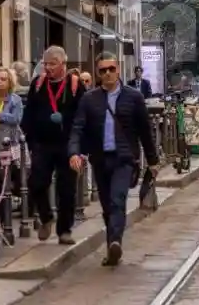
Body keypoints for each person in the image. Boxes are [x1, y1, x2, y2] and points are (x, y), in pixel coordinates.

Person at [68, 53, 163, 267]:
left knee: (117, 200)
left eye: (111, 69)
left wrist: (153, 160)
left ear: (118, 69)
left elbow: (145, 131)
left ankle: (115, 243)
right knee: (107, 206)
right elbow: (78, 128)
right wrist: (74, 152)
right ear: (98, 74)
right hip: (100, 160)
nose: (108, 73)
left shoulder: (134, 97)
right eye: (103, 70)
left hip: (124, 159)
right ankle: (112, 244)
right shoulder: (89, 99)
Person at [23, 46, 84, 244]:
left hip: (67, 144)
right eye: (46, 63)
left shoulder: (75, 85)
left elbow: (82, 116)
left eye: (52, 64)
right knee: (36, 183)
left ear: (63, 64)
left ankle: (64, 230)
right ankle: (46, 217)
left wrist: (80, 144)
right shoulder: (38, 84)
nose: (48, 68)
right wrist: (31, 140)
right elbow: (29, 112)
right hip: (43, 143)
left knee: (66, 188)